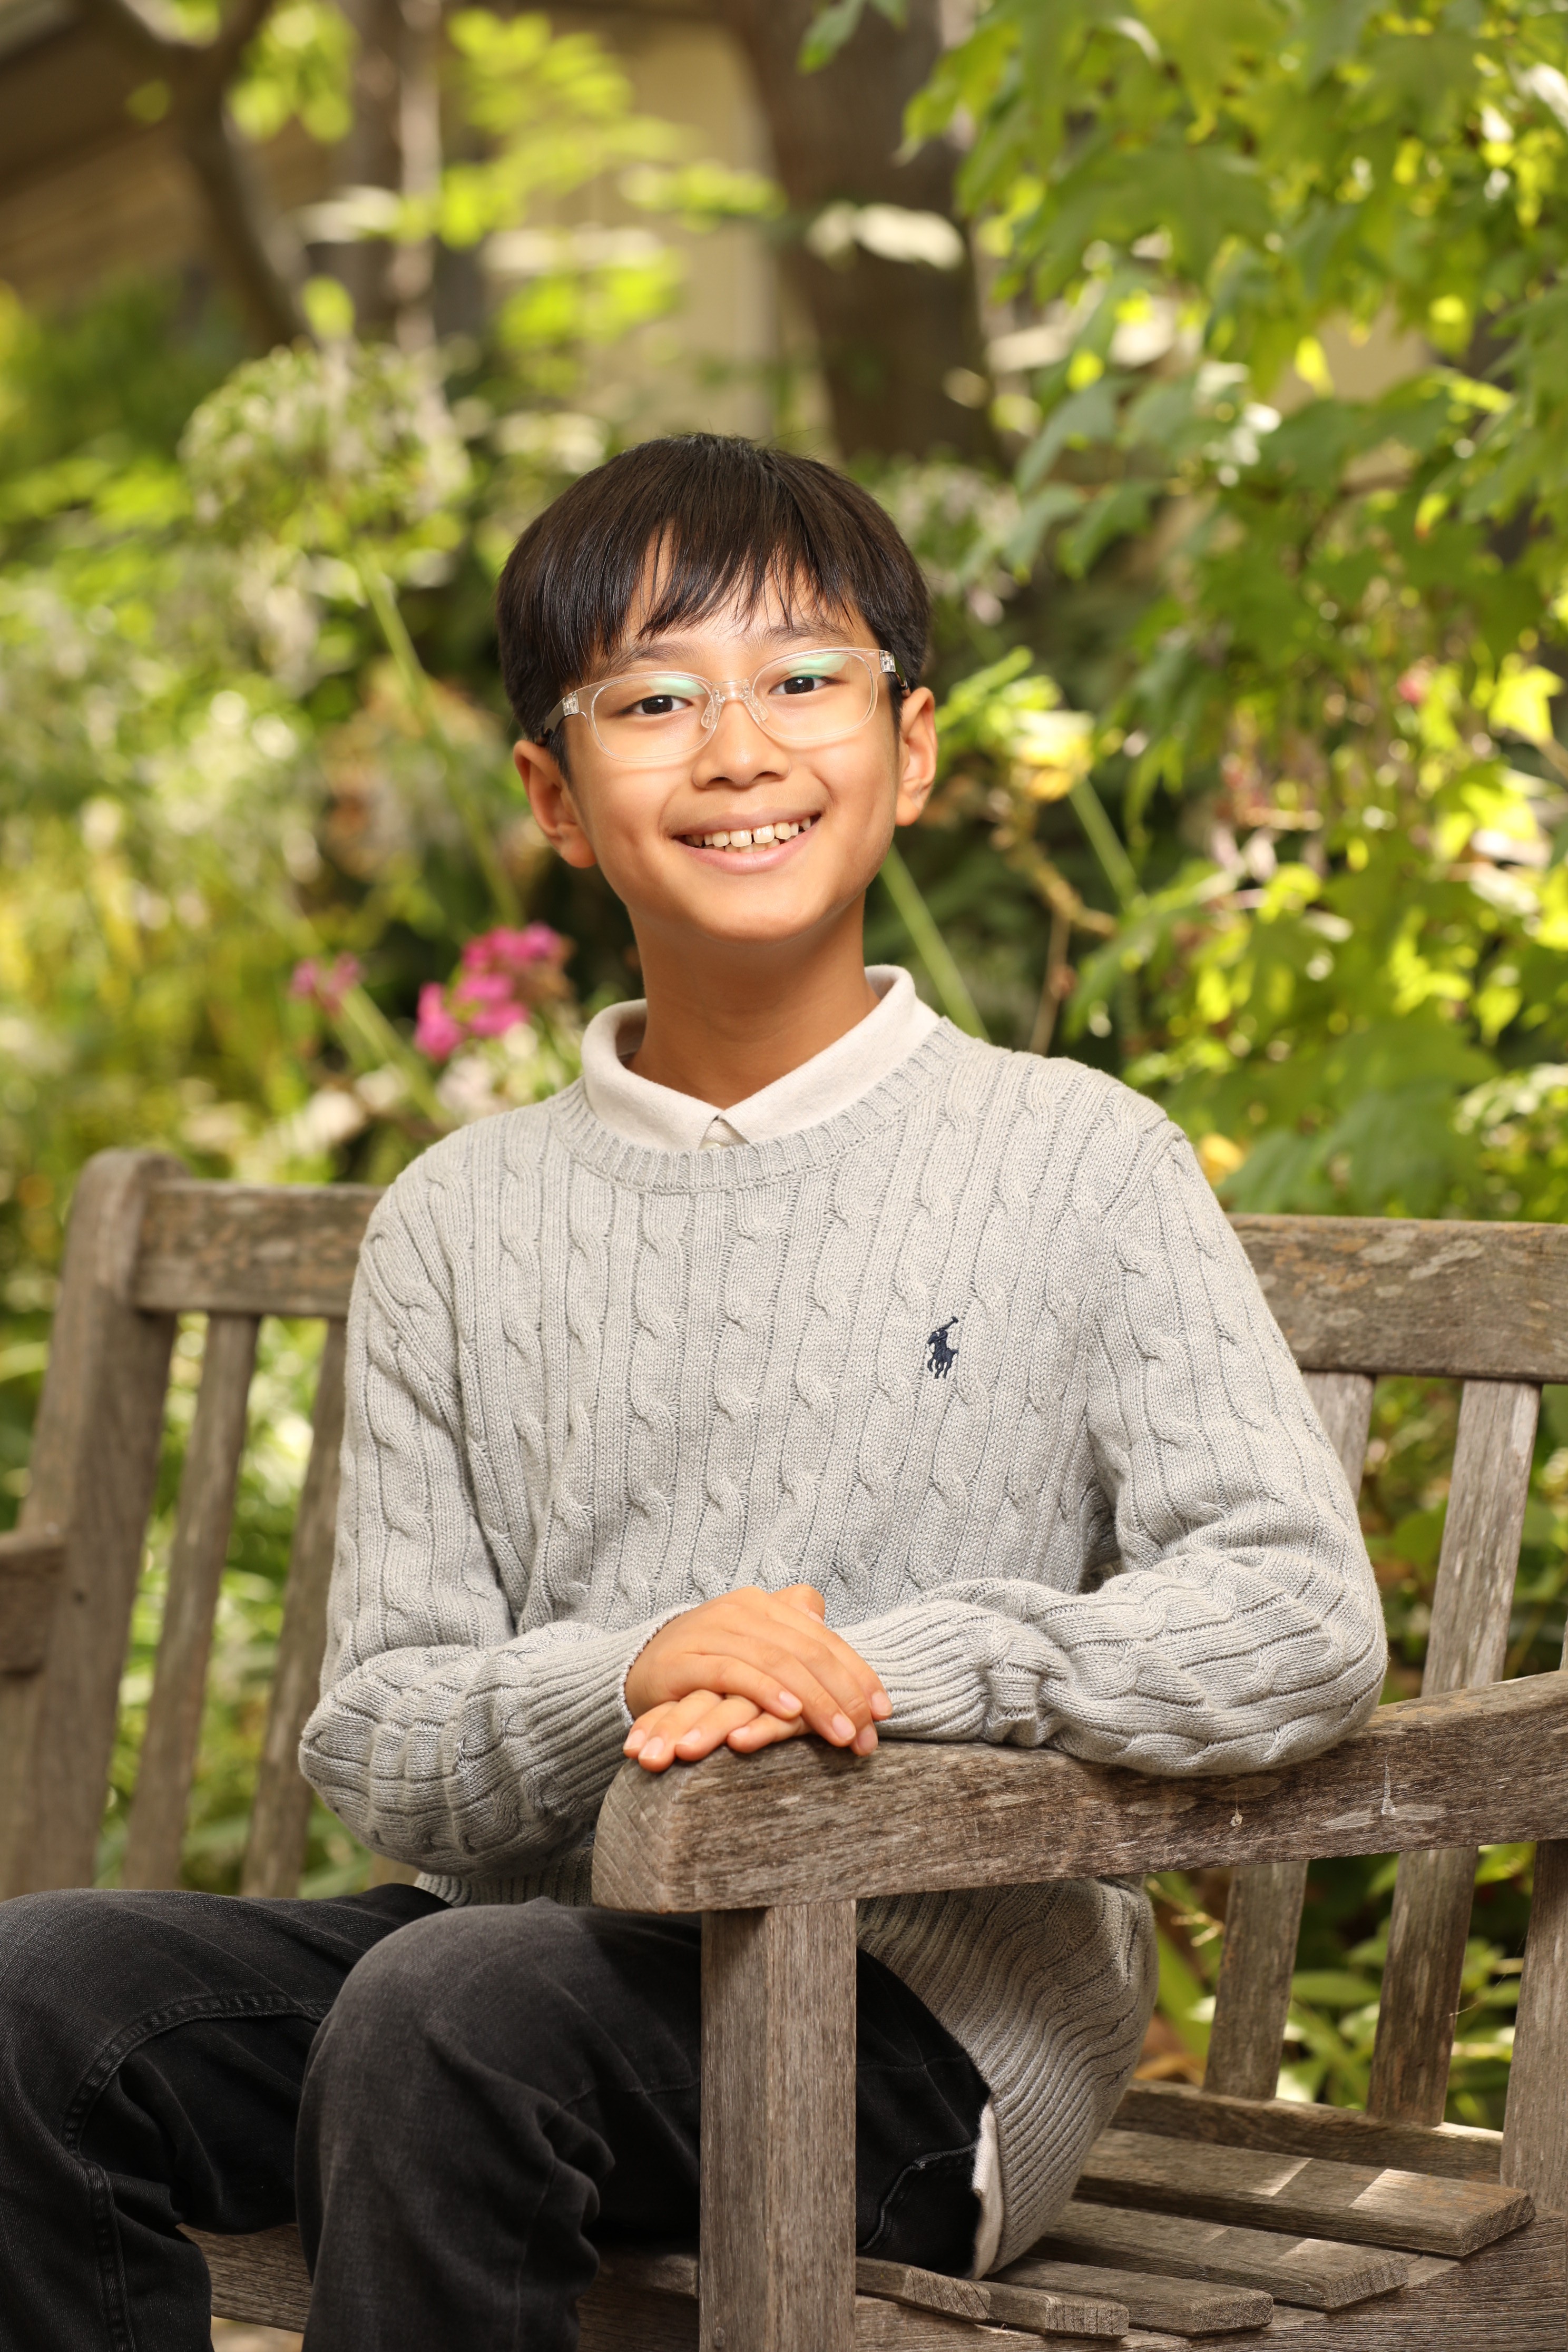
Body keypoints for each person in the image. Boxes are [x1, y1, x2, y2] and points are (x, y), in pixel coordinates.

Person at [0, 434, 1387, 2352]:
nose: (738, 748)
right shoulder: (458, 1222)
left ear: (911, 747)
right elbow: (384, 1732)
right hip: (508, 1971)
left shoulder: (1079, 1163)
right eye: (655, 700)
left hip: (912, 2023)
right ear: (554, 796)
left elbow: (1298, 1610)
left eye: (802, 678)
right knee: (40, 1998)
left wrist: (875, 1670)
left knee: (453, 2013)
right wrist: (640, 1671)